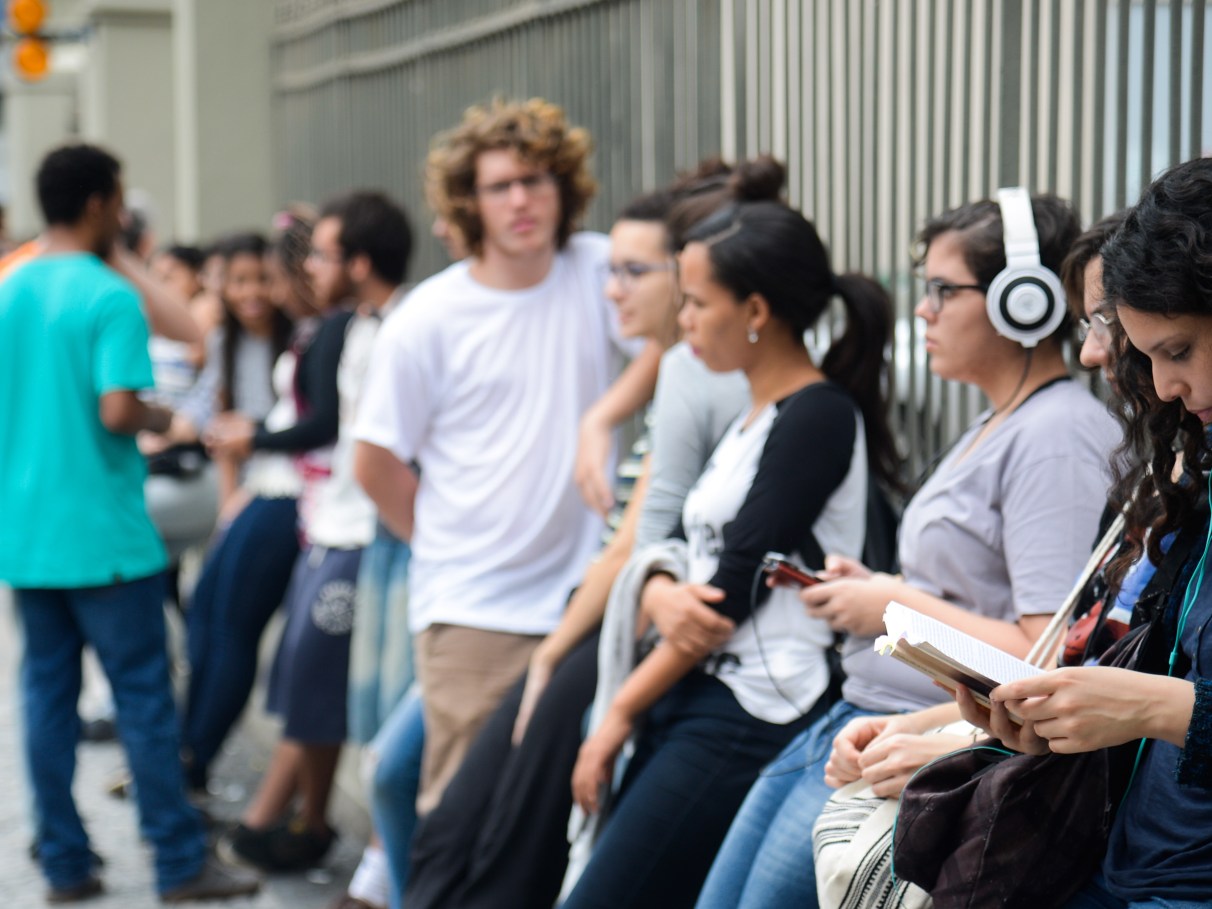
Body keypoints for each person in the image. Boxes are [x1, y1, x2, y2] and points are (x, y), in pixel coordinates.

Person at [694, 192, 1120, 909]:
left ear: (1025, 300)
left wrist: (890, 603)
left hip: (923, 749)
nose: (922, 310)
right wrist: (883, 587)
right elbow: (967, 592)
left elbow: (1039, 652)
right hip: (867, 722)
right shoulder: (1000, 420)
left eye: (942, 291)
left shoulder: (1057, 437)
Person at [556, 198, 896, 909]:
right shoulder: (754, 414)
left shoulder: (818, 415)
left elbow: (728, 593)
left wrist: (617, 713)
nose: (681, 322)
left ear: (756, 310)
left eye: (696, 302)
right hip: (705, 692)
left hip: (754, 709)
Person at [353, 97, 658, 819]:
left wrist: (604, 414)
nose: (522, 199)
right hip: (473, 607)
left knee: (557, 811)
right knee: (463, 812)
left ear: (565, 189)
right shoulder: (426, 317)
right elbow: (373, 461)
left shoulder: (596, 269)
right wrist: (443, 540)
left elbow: (671, 340)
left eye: (537, 180)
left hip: (581, 598)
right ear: (469, 202)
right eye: (500, 186)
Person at [0, 142, 258, 903]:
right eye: (116, 201)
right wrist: (165, 415)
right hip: (107, 537)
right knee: (144, 696)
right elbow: (117, 407)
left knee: (46, 697)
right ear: (98, 205)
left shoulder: (10, 289)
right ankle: (179, 861)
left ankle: (66, 863)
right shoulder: (109, 296)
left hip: (28, 533)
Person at [956, 156, 1212, 908]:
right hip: (1128, 861)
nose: (1164, 385)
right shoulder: (1198, 470)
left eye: (1180, 350)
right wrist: (1056, 723)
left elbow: (1173, 702)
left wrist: (1147, 707)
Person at [222, 191, 413, 874]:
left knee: (361, 704)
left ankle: (348, 849)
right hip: (333, 526)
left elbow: (356, 434)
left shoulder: (406, 326)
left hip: (372, 534)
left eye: (323, 255)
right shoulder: (357, 326)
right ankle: (317, 830)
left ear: (358, 263)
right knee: (312, 685)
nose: (306, 270)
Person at [181, 209, 350, 796]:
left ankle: (192, 760)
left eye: (274, 277)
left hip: (291, 498)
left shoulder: (327, 330)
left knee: (230, 629)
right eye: (249, 280)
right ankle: (185, 751)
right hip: (263, 491)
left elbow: (319, 424)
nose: (267, 291)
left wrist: (253, 436)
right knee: (205, 618)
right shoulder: (300, 331)